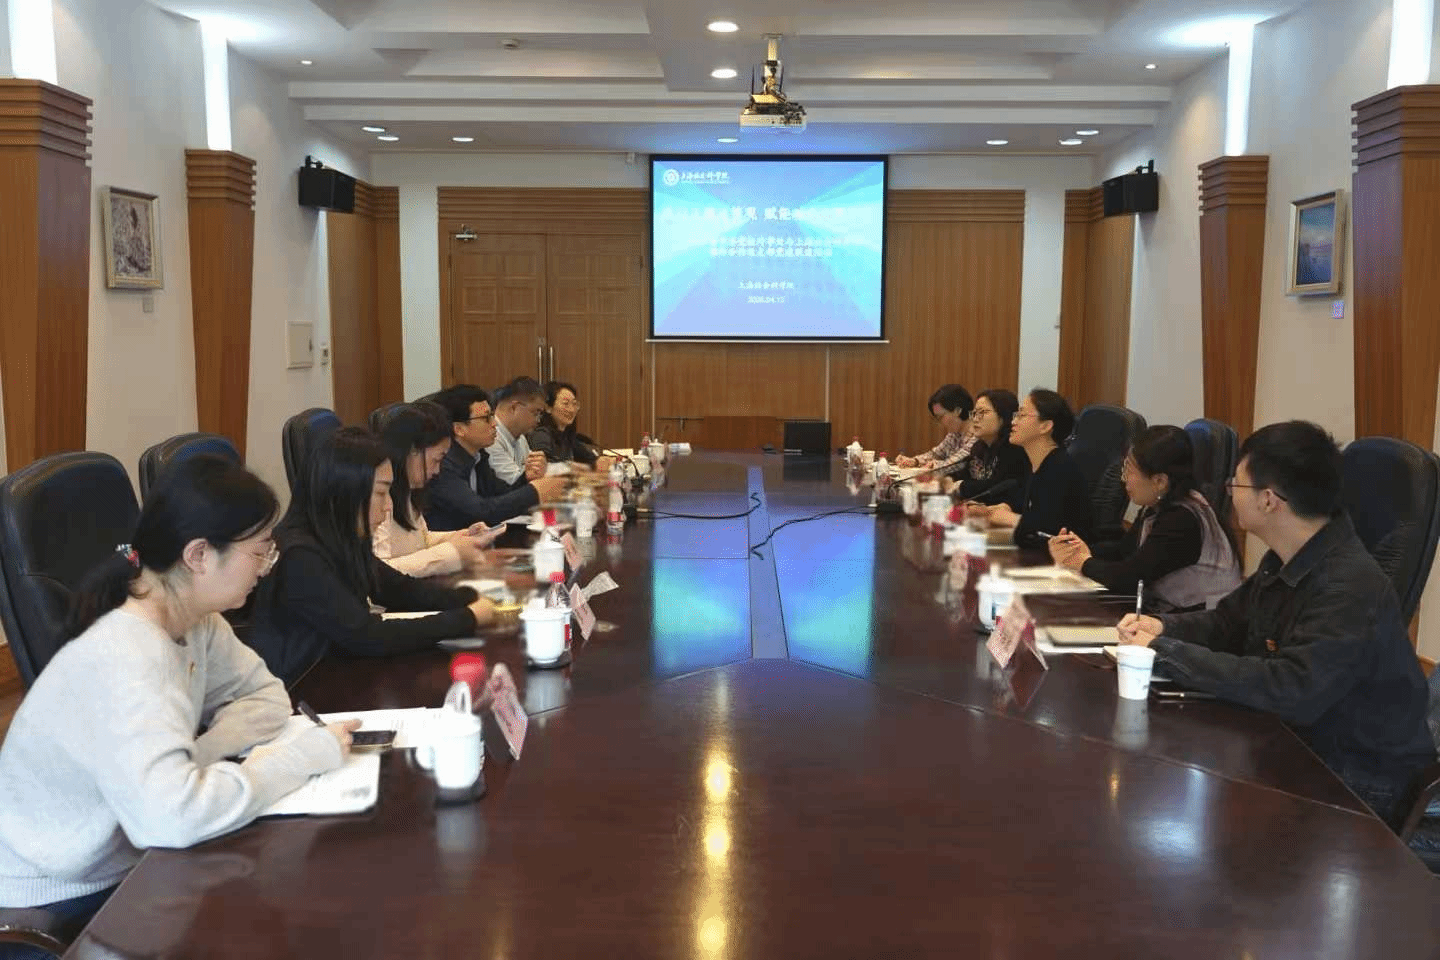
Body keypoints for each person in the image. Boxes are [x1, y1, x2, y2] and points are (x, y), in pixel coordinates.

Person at [0, 456, 357, 947]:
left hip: (127, 856)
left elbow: (267, 696)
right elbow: (171, 818)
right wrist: (297, 760)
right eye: (260, 552)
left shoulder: (196, 621)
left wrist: (201, 755)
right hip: (52, 900)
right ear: (199, 555)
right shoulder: (127, 656)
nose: (265, 568)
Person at [1117, 421, 1436, 827]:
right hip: (1298, 741)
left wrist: (1165, 652)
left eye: (1236, 484)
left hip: (1359, 778)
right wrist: (1162, 628)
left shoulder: (1350, 586)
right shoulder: (1289, 555)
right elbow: (1228, 623)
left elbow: (1289, 688)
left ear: (1268, 500)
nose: (1228, 492)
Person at [248, 427, 496, 685]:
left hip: (338, 674)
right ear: (345, 491)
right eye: (380, 493)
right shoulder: (300, 556)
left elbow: (394, 588)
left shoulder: (340, 534)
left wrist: (471, 598)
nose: (388, 506)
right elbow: (366, 636)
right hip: (299, 689)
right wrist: (468, 617)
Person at [1049, 425, 1241, 610]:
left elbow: (1130, 578)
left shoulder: (1182, 519)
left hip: (1198, 620)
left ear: (1160, 481)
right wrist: (1078, 549)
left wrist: (1082, 562)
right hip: (1168, 610)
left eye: (1130, 471)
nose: (1124, 479)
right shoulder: (1160, 503)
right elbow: (1124, 550)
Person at [372, 402, 500, 578]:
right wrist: (452, 552)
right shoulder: (380, 498)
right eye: (437, 460)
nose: (437, 470)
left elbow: (420, 540)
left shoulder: (408, 491)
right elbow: (380, 571)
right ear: (413, 451)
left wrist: (461, 537)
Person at [425, 385, 569, 530]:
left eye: (492, 416)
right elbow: (481, 512)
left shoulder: (478, 457)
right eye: (486, 418)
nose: (494, 424)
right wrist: (534, 492)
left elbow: (501, 495)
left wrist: (526, 478)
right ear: (459, 429)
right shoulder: (442, 466)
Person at [984, 389, 1092, 548]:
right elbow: (1028, 505)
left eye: (1021, 415)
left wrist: (1009, 518)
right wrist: (1005, 507)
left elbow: (1049, 530)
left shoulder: (1060, 469)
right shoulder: (1036, 463)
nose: (1013, 422)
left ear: (1045, 426)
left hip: (1066, 557)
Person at [944, 388, 1028, 511]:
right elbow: (963, 474)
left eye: (983, 412)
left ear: (1004, 416)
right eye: (974, 413)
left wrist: (960, 486)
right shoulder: (979, 447)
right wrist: (948, 480)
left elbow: (998, 487)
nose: (975, 419)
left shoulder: (1015, 450)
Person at [528, 380, 608, 470]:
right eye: (565, 404)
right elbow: (545, 467)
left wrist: (602, 461)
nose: (571, 410)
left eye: (574, 404)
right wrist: (574, 467)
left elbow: (592, 460)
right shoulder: (540, 435)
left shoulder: (567, 436)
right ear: (548, 408)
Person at [486, 376, 551, 485]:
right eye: (535, 413)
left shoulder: (520, 438)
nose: (538, 420)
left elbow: (535, 471)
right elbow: (515, 482)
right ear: (514, 408)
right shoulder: (491, 437)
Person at [894, 384, 976, 469]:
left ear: (957, 411)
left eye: (941, 417)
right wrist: (914, 461)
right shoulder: (954, 434)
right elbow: (936, 454)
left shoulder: (977, 433)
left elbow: (956, 464)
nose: (940, 423)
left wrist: (934, 465)